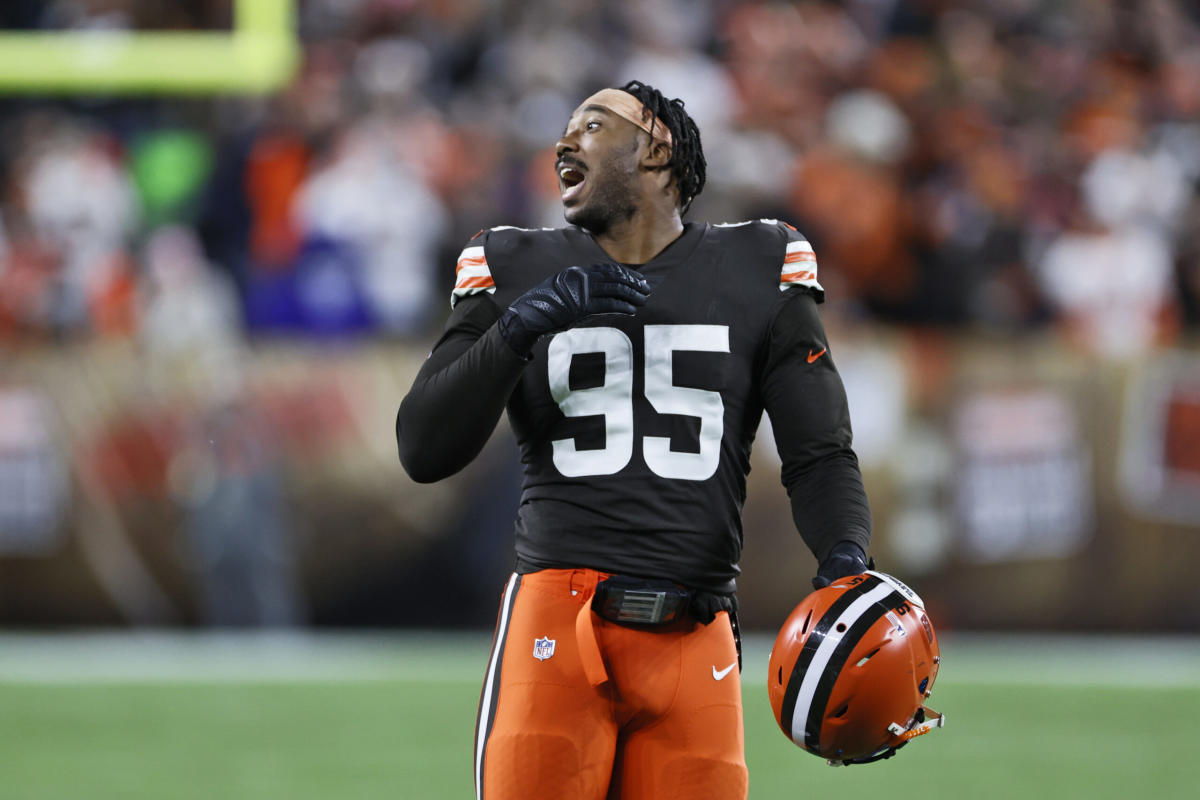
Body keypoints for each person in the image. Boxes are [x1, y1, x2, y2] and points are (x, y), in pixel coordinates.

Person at [396, 80, 872, 800]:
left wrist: (844, 559)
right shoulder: (516, 263)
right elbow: (423, 447)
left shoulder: (760, 264)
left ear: (657, 150)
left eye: (591, 124)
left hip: (698, 633)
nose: (564, 142)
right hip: (557, 622)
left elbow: (819, 451)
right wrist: (518, 329)